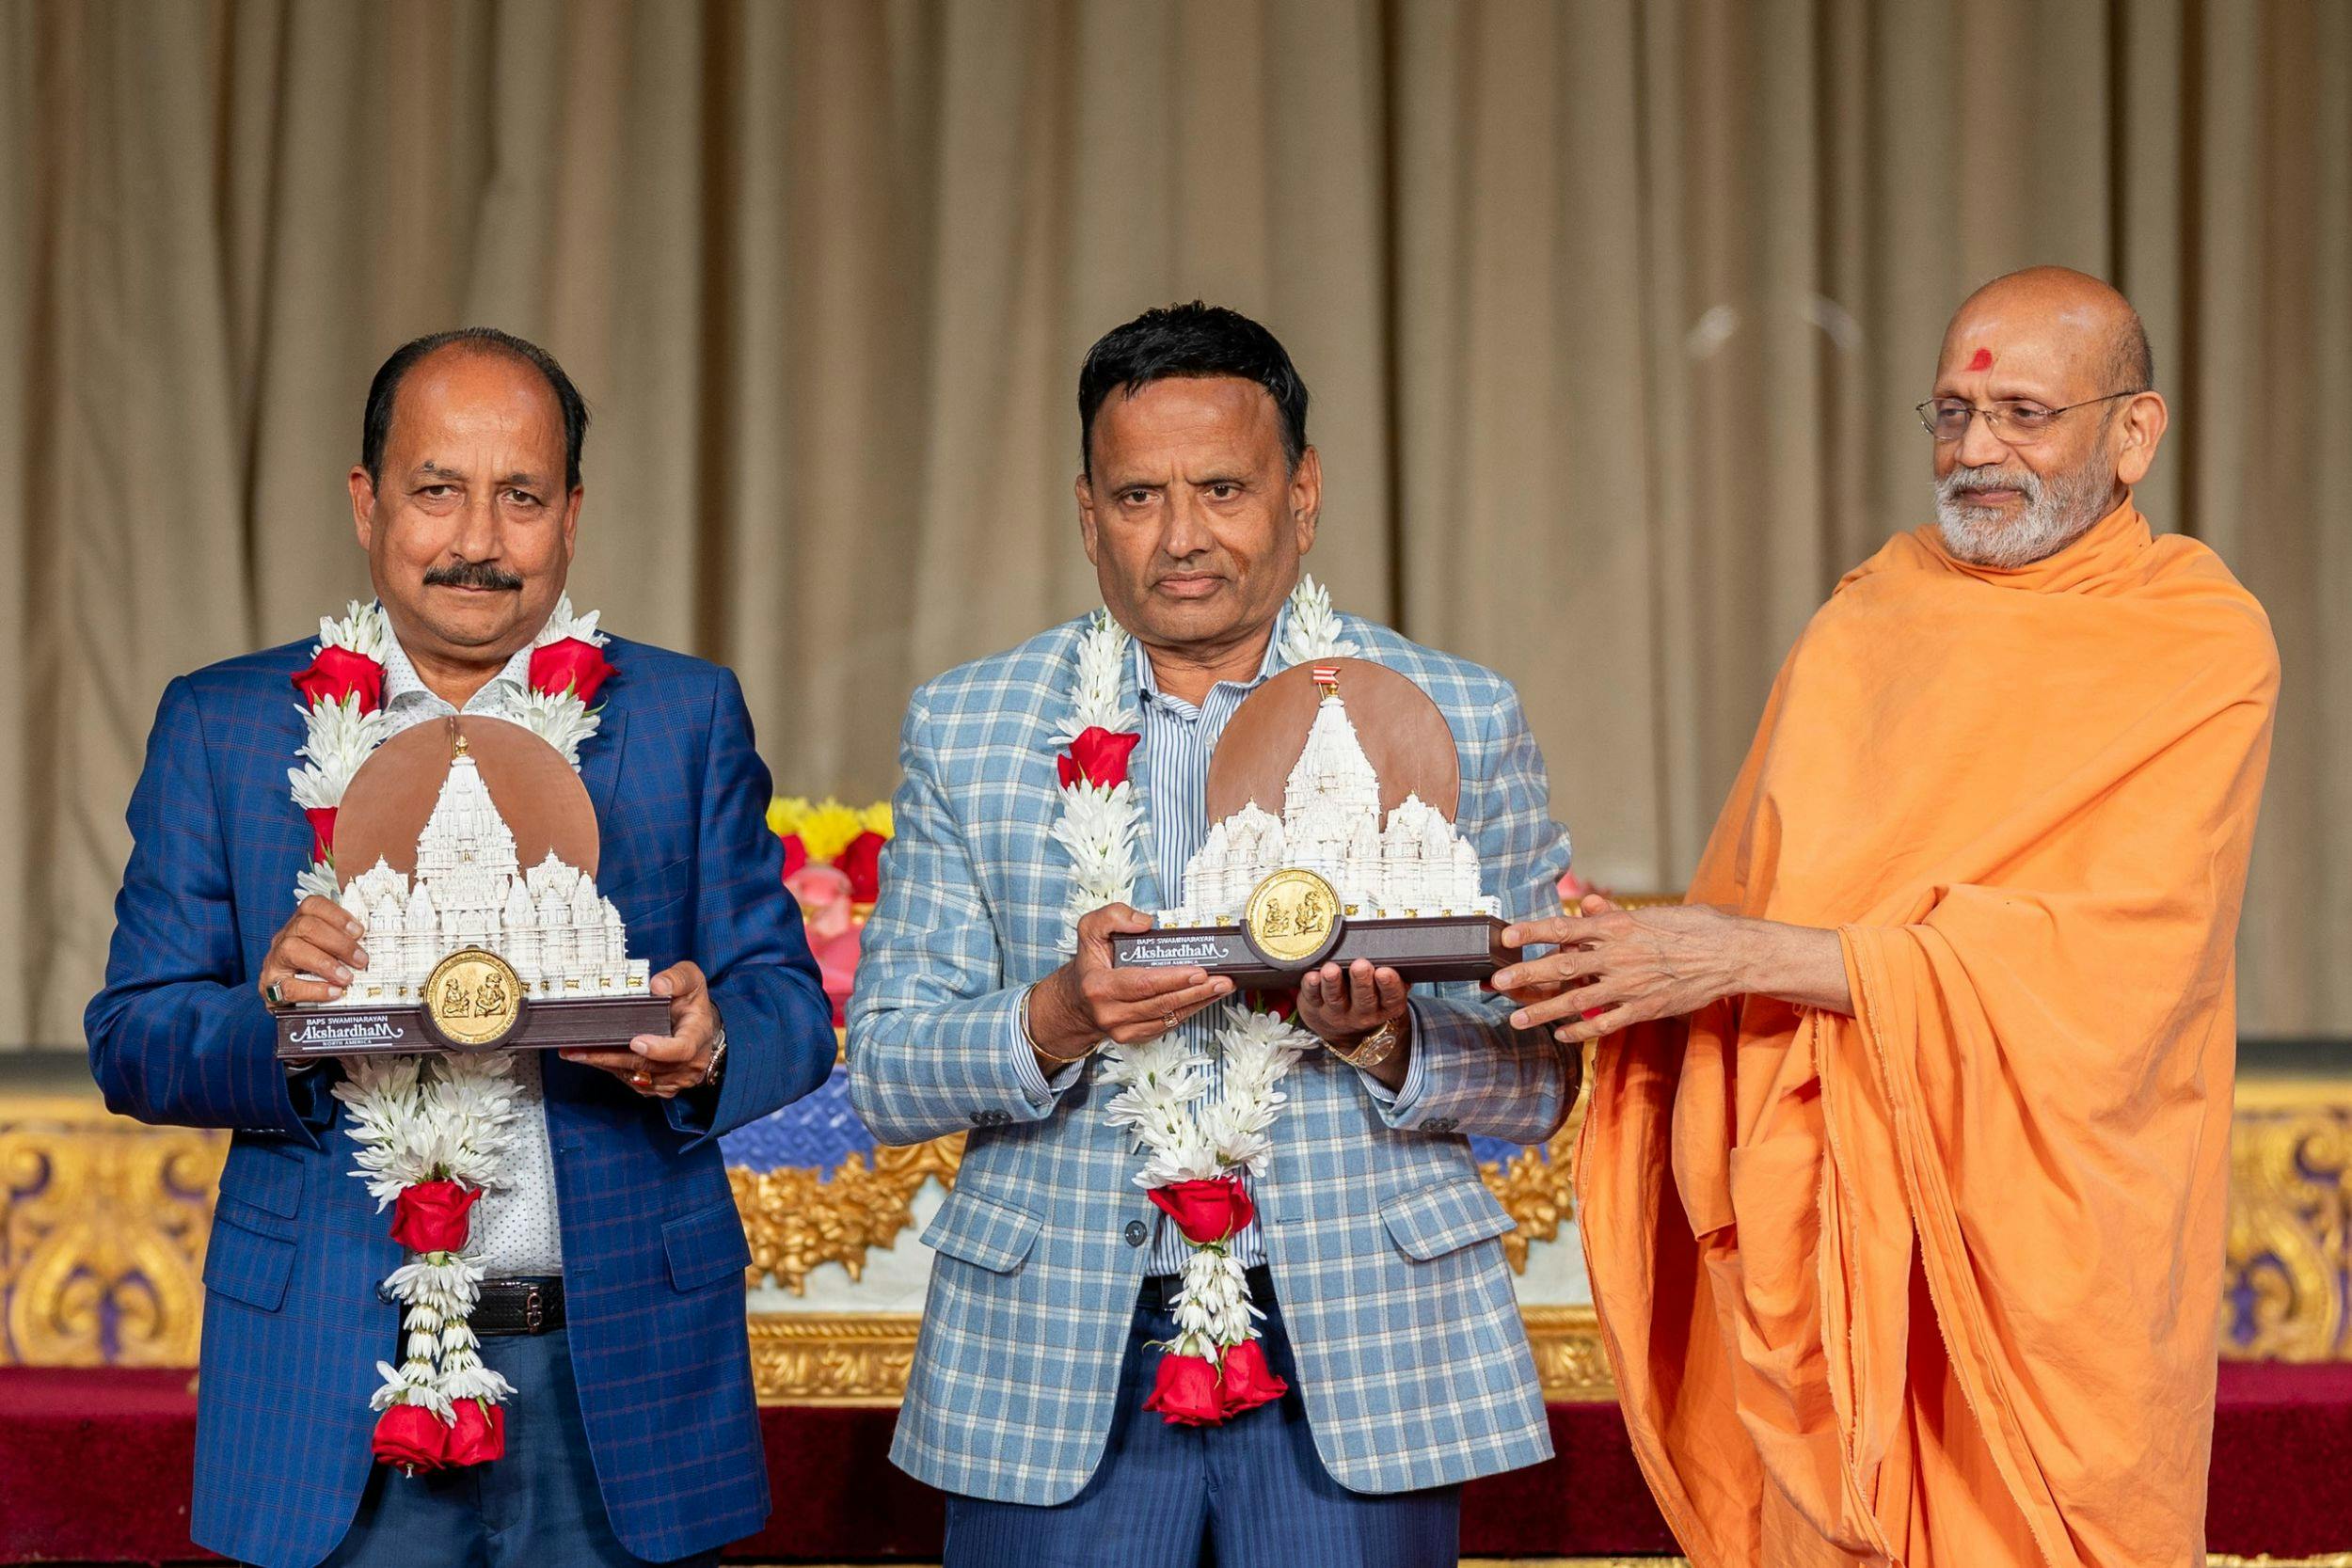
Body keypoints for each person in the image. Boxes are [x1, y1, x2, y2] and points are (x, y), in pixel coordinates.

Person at [1497, 267, 2279, 1567]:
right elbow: (1747, 915)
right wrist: (1627, 956)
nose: (1976, 450)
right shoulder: (1869, 620)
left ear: (2133, 435)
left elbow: (2115, 969)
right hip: (1830, 1226)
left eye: (2025, 413)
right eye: (1954, 414)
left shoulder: (2197, 641)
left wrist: (1741, 954)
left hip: (2052, 1247)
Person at [86, 328, 837, 1568]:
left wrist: (709, 1048)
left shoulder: (681, 716)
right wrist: (274, 1011)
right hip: (336, 1367)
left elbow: (788, 1008)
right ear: (367, 502)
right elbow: (134, 1038)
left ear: (573, 516)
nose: (478, 540)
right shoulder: (222, 727)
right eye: (437, 490)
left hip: (618, 1376)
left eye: (521, 497)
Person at [847, 302, 1575, 1567]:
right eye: (1138, 498)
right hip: (1062, 1348)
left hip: (1358, 1342)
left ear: (1303, 496)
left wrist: (1392, 1044)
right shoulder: (971, 725)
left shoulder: (1455, 712)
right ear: (1087, 513)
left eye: (1223, 488)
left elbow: (1543, 1078)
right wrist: (1056, 1018)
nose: (1181, 538)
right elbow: (887, 1069)